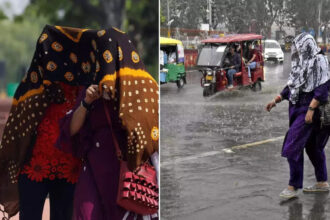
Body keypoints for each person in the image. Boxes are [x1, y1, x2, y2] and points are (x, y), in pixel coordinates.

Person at [56, 26, 159, 219]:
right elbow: (70, 128)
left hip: (127, 169)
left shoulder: (144, 86)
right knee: (85, 214)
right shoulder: (90, 86)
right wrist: (86, 102)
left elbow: (151, 131)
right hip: (94, 169)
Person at [0, 25, 84, 220]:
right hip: (33, 168)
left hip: (69, 168)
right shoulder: (33, 83)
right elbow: (17, 128)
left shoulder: (82, 87)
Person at [265, 33, 330, 199]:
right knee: (313, 147)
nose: (297, 50)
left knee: (292, 144)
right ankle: (322, 182)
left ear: (307, 45)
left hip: (309, 110)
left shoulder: (319, 60)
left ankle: (293, 186)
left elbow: (323, 87)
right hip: (297, 109)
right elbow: (292, 86)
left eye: (300, 46)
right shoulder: (301, 63)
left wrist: (311, 109)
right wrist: (276, 99)